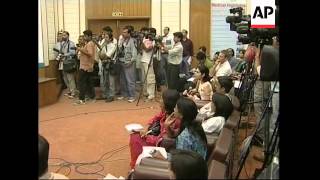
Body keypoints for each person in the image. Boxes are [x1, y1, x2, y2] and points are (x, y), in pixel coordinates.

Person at [129, 89, 181, 169]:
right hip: (157, 138)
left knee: (135, 138)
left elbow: (161, 140)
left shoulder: (173, 121)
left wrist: (146, 136)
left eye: (162, 99)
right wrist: (147, 127)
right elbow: (156, 117)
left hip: (161, 146)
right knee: (135, 134)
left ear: (167, 103)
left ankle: (135, 168)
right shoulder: (167, 112)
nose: (160, 101)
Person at [74, 30, 96, 105]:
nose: (84, 37)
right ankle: (92, 97)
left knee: (81, 83)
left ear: (90, 36)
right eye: (84, 36)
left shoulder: (90, 44)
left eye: (86, 36)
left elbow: (90, 54)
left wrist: (80, 49)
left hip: (85, 66)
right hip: (87, 66)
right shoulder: (88, 43)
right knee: (88, 82)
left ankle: (81, 99)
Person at [117, 26, 138, 103]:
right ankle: (124, 94)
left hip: (129, 62)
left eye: (125, 32)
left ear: (129, 33)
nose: (123, 34)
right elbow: (120, 49)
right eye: (123, 32)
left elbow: (134, 53)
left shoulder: (133, 41)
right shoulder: (122, 40)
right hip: (122, 61)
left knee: (130, 80)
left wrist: (131, 62)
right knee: (122, 80)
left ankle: (132, 96)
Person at [98, 32, 117, 102]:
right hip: (104, 64)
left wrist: (103, 56)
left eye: (106, 37)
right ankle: (106, 94)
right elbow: (99, 55)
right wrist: (102, 55)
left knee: (111, 81)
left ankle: (111, 95)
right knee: (105, 80)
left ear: (110, 38)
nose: (105, 39)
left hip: (110, 64)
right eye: (104, 37)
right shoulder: (104, 45)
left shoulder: (113, 45)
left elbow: (108, 55)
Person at [140, 31, 156, 101]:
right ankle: (146, 92)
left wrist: (142, 42)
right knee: (144, 79)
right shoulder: (144, 40)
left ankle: (151, 94)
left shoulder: (154, 41)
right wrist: (141, 41)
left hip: (149, 61)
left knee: (150, 78)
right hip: (143, 60)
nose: (148, 35)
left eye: (150, 34)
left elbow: (147, 49)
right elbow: (140, 48)